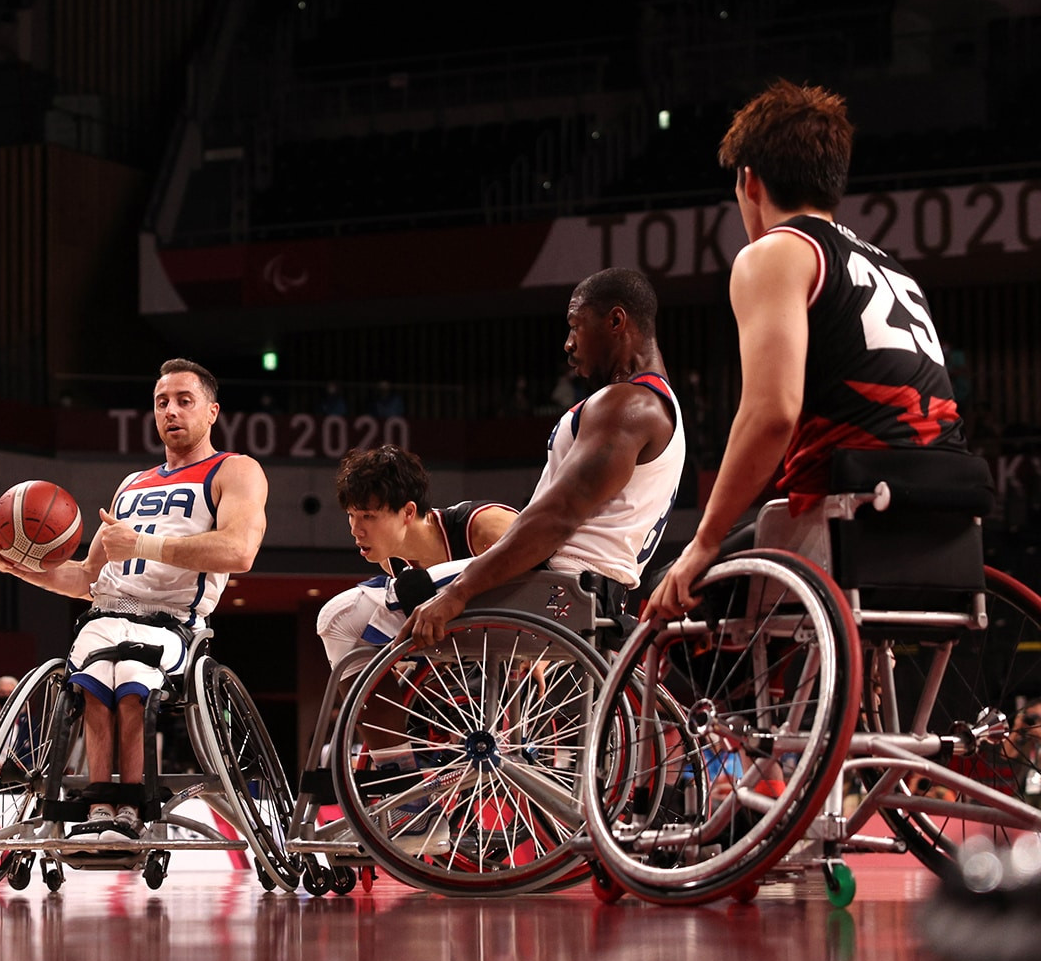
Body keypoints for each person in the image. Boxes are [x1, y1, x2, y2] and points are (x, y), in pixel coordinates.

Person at [649, 81, 965, 620]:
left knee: (671, 598)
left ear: (749, 182)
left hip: (853, 507)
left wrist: (702, 541)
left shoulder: (774, 253)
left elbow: (772, 414)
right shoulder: (894, 268)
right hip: (948, 509)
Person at [0, 359, 269, 843]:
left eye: (184, 401)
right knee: (96, 675)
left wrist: (144, 546)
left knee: (131, 676)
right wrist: (21, 567)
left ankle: (132, 807)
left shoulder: (234, 470)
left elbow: (239, 551)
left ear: (212, 411)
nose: (171, 411)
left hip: (173, 622)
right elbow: (85, 578)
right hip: (107, 612)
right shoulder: (131, 484)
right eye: (162, 403)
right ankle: (99, 805)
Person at [404, 267, 685, 646]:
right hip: (593, 591)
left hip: (557, 583)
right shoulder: (656, 405)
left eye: (575, 326)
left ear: (616, 320)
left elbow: (556, 518)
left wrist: (457, 593)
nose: (568, 344)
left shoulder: (626, 405)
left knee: (348, 617)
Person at [314, 446, 518, 668]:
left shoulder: (483, 525)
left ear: (409, 512)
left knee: (342, 614)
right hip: (480, 663)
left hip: (538, 653)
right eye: (351, 516)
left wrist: (542, 658)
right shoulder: (391, 561)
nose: (355, 529)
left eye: (368, 516)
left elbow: (552, 575)